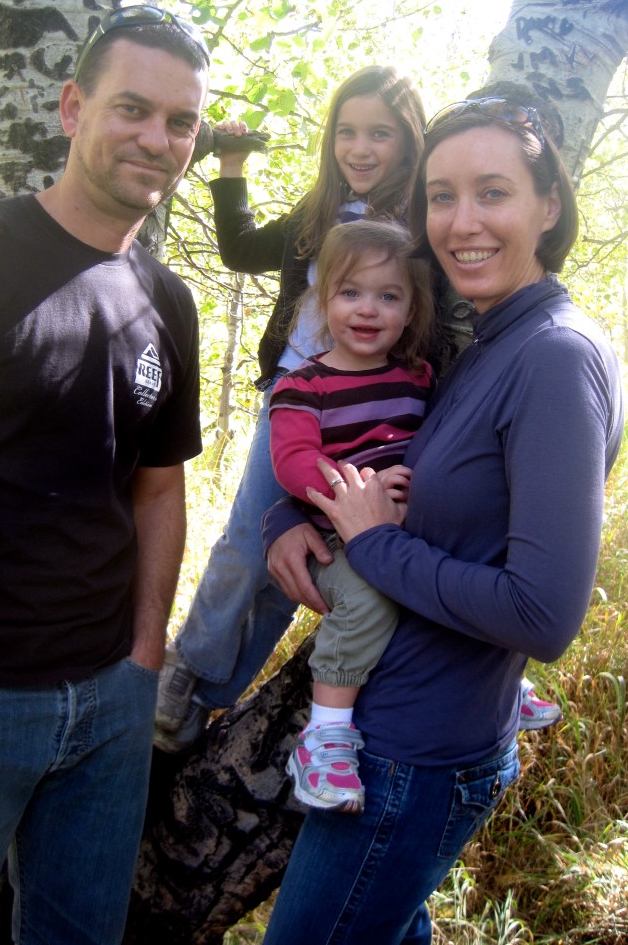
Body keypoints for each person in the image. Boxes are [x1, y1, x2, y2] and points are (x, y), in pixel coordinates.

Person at [261, 95, 624, 944]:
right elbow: (412, 472)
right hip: (398, 736)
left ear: (548, 205)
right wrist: (291, 511)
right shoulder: (488, 343)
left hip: (416, 756)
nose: (462, 222)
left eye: (492, 192)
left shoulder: (555, 357)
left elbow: (543, 613)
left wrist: (373, 544)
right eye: (441, 195)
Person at [0, 4, 209, 945]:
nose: (157, 139)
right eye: (131, 109)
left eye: (180, 122)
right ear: (74, 108)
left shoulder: (166, 300)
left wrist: (143, 657)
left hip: (109, 706)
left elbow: (158, 490)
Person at [154, 64, 471, 752]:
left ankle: (211, 693)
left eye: (380, 134)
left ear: (410, 142)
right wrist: (231, 167)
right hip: (299, 401)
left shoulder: (425, 227)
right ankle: (185, 673)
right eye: (347, 133)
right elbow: (240, 251)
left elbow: (446, 324)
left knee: (296, 568)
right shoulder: (319, 215)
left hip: (380, 415)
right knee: (250, 540)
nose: (360, 149)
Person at [270, 219, 435, 814]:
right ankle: (325, 737)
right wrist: (362, 492)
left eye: (388, 296)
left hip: (408, 528)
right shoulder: (302, 385)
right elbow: (292, 464)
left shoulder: (418, 379)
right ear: (323, 300)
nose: (368, 310)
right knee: (370, 600)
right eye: (350, 293)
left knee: (455, 575)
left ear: (412, 309)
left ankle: (497, 682)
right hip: (334, 539)